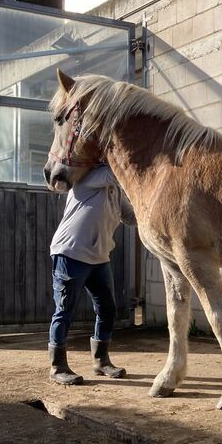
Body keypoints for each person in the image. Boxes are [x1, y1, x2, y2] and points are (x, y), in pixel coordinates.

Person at [48, 164, 137, 385]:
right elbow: (118, 169)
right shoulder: (88, 176)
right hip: (70, 253)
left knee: (107, 309)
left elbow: (130, 215)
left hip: (98, 258)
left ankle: (101, 361)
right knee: (64, 311)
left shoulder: (115, 190)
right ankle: (57, 367)